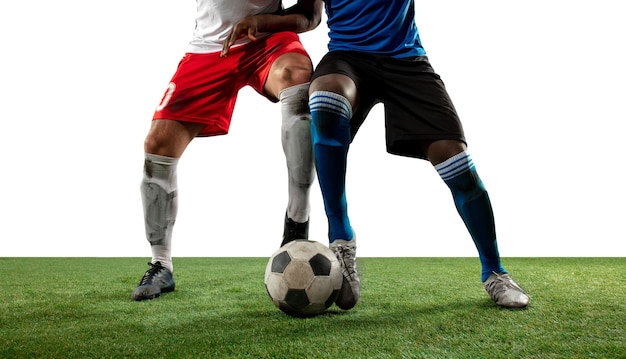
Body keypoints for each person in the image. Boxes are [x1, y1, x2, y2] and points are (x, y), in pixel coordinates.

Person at [296, 0, 530, 309]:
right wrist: (260, 23)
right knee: (326, 98)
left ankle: (495, 272)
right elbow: (308, 15)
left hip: (406, 62)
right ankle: (341, 238)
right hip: (347, 59)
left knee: (457, 163)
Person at [131, 0, 323, 301]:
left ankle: (297, 221)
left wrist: (261, 23)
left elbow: (310, 16)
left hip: (269, 42)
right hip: (211, 47)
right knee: (158, 146)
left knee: (297, 78)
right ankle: (161, 264)